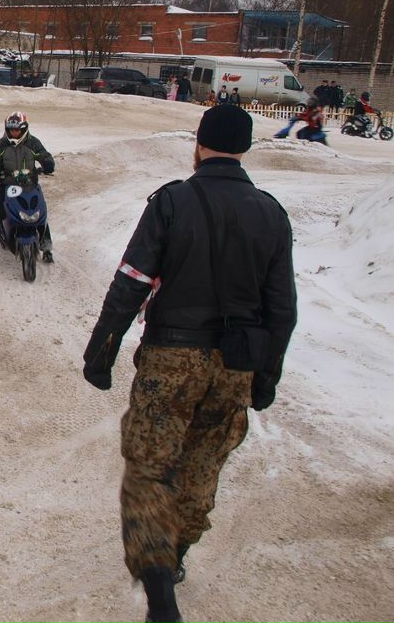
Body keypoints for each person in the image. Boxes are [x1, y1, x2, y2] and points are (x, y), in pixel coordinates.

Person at [80, 104, 297, 623]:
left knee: (150, 468)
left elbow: (131, 280)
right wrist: (266, 377)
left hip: (171, 358)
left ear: (199, 144)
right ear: (244, 149)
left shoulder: (172, 202)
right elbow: (281, 310)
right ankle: (175, 558)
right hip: (236, 365)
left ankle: (159, 592)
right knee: (203, 464)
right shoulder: (271, 213)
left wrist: (102, 349)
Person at [0, 111, 55, 267]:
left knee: (40, 213)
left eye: (17, 130)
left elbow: (44, 155)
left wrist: (48, 163)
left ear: (24, 129)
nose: (14, 133)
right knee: (0, 214)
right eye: (11, 129)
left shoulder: (33, 143)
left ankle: (47, 248)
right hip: (8, 185)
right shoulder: (1, 144)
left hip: (30, 185)